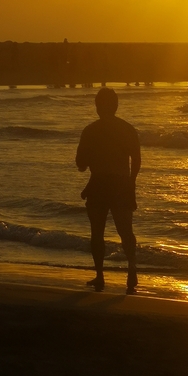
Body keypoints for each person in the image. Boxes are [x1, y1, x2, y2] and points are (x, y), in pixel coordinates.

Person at [76, 87, 141, 292]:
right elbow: (137, 160)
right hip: (122, 184)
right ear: (116, 106)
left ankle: (100, 275)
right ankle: (131, 269)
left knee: (97, 233)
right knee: (125, 231)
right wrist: (132, 182)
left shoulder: (90, 131)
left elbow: (81, 165)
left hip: (98, 186)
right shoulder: (128, 129)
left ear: (97, 107)